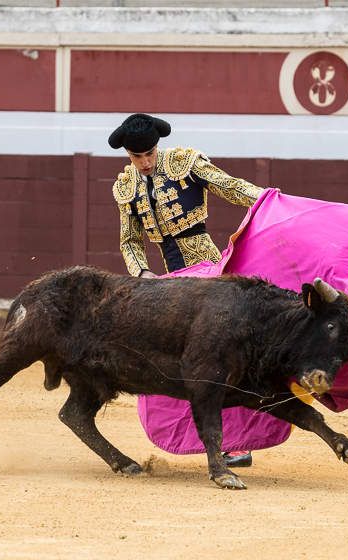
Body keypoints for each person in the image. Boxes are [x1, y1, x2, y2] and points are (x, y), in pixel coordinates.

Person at [109, 113, 263, 468]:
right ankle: (210, 440)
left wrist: (266, 200)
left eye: (148, 153)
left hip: (209, 271)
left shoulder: (184, 163)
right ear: (128, 155)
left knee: (223, 358)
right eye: (137, 157)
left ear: (156, 147)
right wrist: (143, 272)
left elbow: (231, 187)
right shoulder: (125, 187)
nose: (145, 163)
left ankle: (238, 443)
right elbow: (129, 241)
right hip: (172, 285)